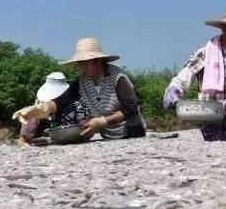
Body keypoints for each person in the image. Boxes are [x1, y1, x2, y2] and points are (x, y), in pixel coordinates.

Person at [163, 6, 226, 144]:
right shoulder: (205, 54)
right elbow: (182, 79)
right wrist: (173, 91)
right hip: (210, 129)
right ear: (224, 28)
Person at [13, 38, 146, 140]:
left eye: (85, 62)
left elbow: (131, 109)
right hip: (109, 137)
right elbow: (63, 100)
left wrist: (101, 122)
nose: (82, 67)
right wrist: (38, 110)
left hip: (131, 132)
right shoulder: (82, 81)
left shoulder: (118, 78)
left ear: (98, 60)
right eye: (80, 63)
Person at [17, 72, 87, 145]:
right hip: (47, 135)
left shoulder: (77, 104)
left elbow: (85, 126)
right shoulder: (40, 102)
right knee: (32, 111)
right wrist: (23, 137)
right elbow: (32, 118)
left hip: (72, 137)